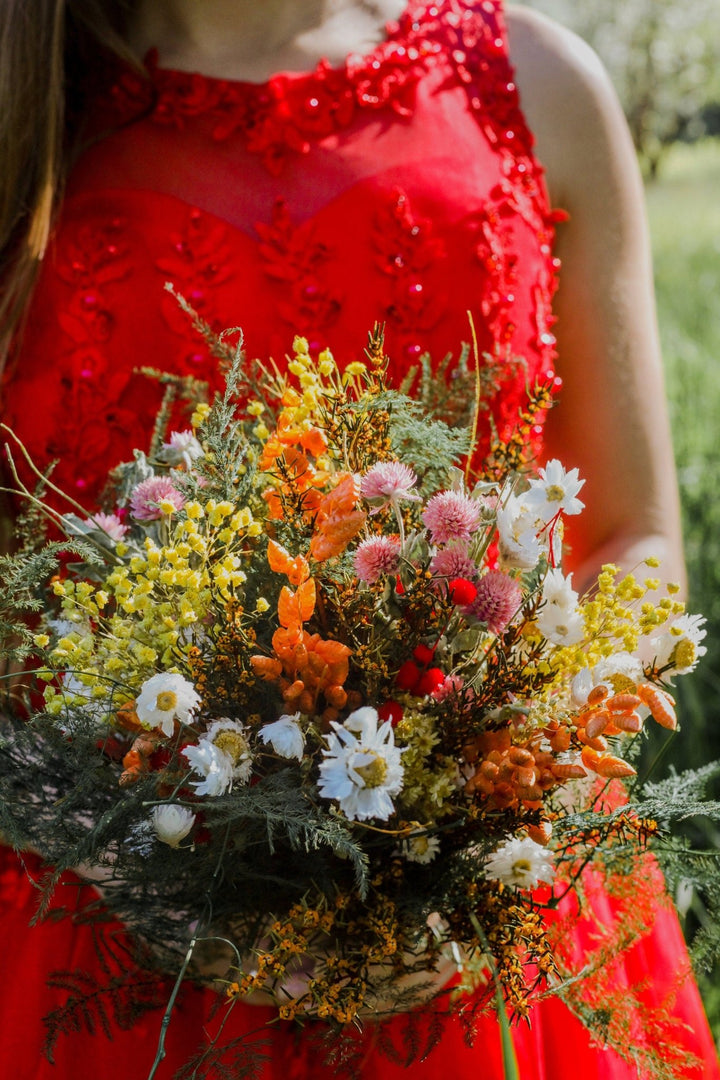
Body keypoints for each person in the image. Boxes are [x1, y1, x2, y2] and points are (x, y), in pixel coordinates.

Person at [0, 1, 717, 1076]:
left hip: (496, 947)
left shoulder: (536, 87)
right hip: (93, 956)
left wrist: (495, 818)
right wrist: (124, 855)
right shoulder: (24, 113)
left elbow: (633, 534)